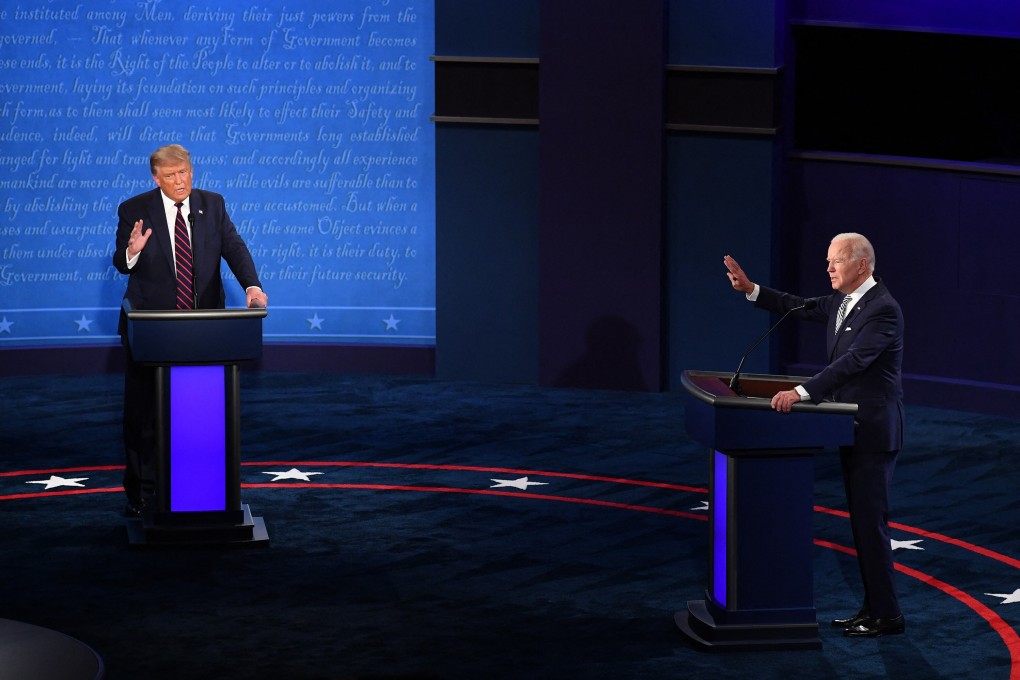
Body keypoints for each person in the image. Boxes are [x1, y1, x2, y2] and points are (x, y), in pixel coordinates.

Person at [722, 233, 905, 638]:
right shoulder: (842, 302)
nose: (829, 268)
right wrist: (752, 291)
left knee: (870, 523)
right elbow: (794, 305)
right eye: (827, 261)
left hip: (873, 432)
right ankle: (873, 607)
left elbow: (855, 362)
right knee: (861, 524)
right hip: (850, 427)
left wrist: (803, 393)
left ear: (863, 265)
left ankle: (888, 615)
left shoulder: (884, 310)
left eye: (836, 261)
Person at [112, 144, 268, 517]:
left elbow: (234, 247)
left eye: (184, 173)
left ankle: (203, 486)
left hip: (204, 332)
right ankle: (142, 492)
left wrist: (251, 285)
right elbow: (122, 262)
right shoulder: (135, 210)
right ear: (156, 178)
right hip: (150, 331)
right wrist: (132, 252)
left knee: (201, 415)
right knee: (143, 415)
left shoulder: (211, 205)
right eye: (170, 176)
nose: (180, 181)